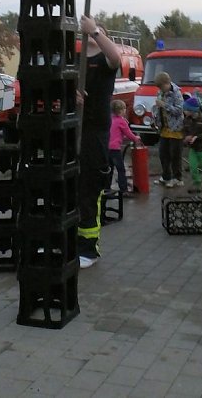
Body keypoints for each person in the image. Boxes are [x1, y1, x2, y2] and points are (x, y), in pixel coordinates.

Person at [77, 15, 120, 268]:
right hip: (75, 128)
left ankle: (89, 249)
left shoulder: (105, 61)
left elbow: (115, 57)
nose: (94, 35)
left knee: (89, 189)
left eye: (100, 32)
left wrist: (95, 31)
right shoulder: (77, 61)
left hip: (95, 130)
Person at [153, 72, 184, 188]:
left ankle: (178, 178)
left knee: (175, 155)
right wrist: (155, 119)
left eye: (162, 87)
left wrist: (165, 105)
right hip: (164, 129)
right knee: (163, 154)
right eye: (159, 88)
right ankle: (166, 176)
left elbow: (179, 111)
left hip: (176, 129)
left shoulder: (177, 93)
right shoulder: (160, 93)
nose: (161, 90)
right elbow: (158, 109)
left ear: (167, 83)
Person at [108, 98, 142, 196]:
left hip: (107, 148)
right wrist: (136, 138)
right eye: (124, 109)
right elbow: (129, 134)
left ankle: (106, 188)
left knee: (109, 169)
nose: (125, 111)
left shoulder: (110, 119)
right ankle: (124, 190)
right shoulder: (122, 121)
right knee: (120, 169)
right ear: (121, 111)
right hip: (115, 149)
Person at [182, 95, 202, 193]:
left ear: (192, 110)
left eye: (185, 109)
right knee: (192, 166)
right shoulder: (186, 120)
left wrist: (197, 137)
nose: (184, 111)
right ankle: (197, 183)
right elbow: (184, 132)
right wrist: (185, 139)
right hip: (193, 148)